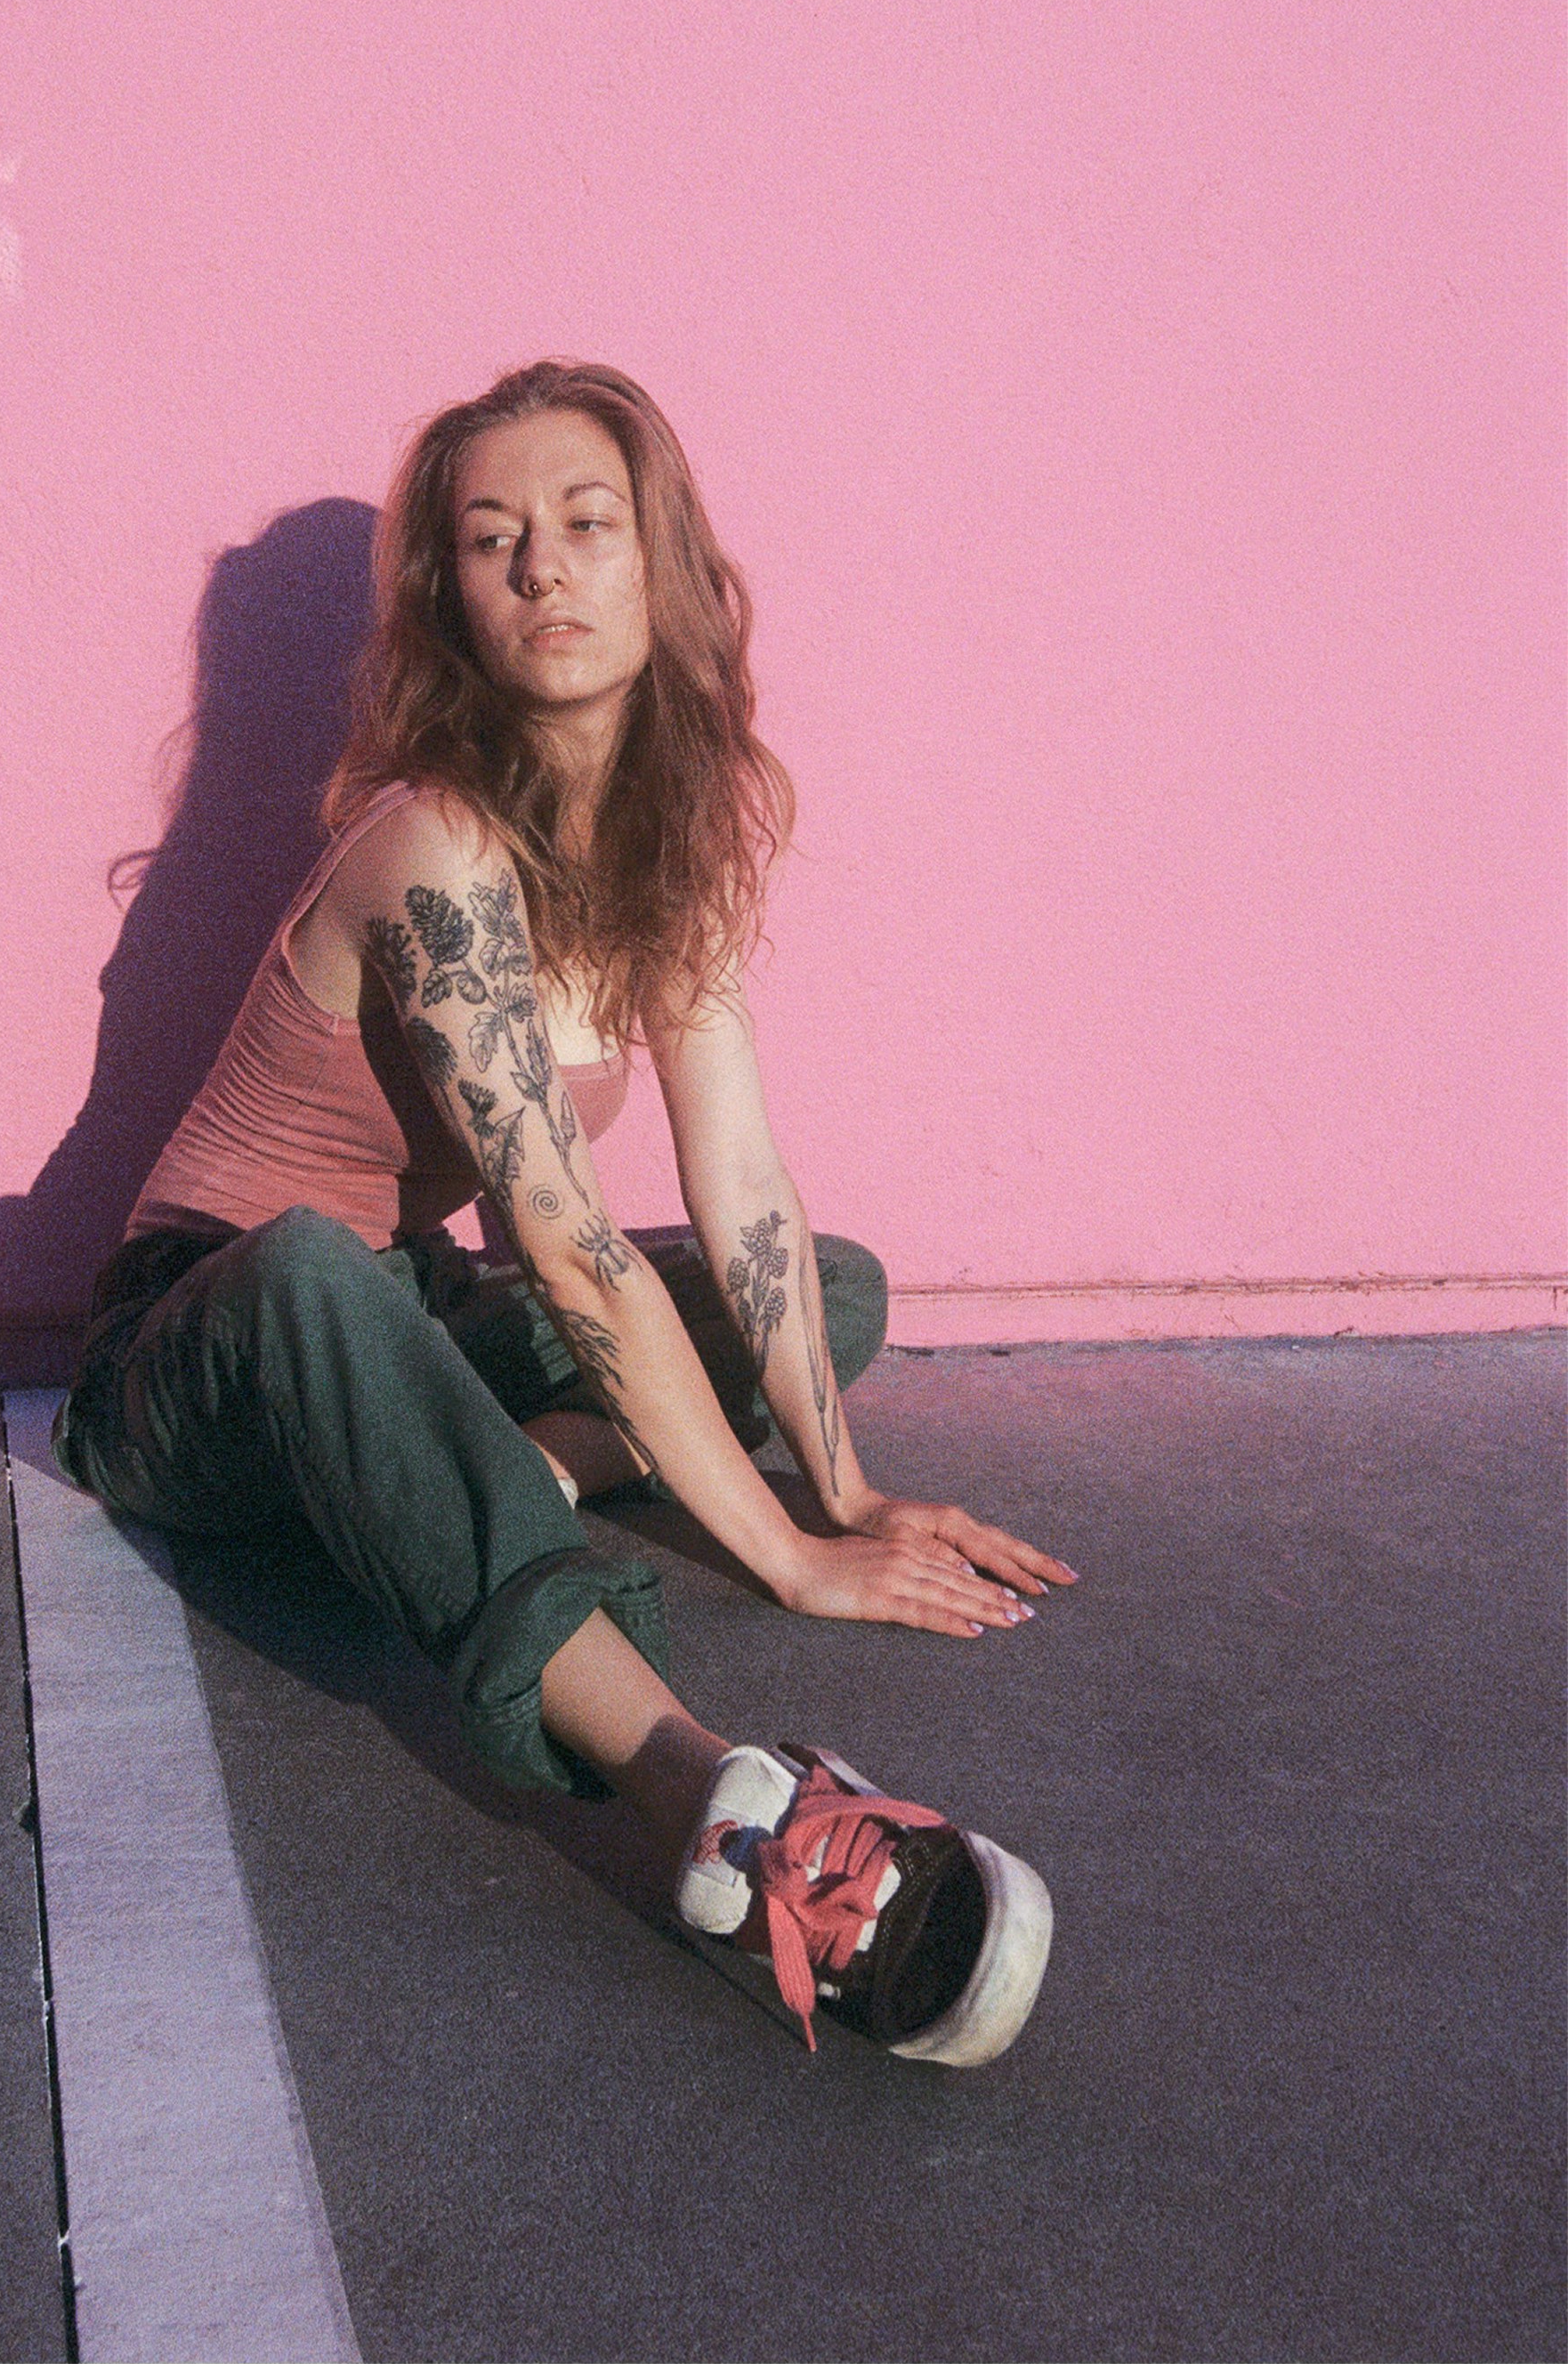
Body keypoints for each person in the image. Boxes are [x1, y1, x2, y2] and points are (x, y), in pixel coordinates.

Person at [54, 359, 1078, 2064]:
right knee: (321, 1274)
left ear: (657, 558)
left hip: (414, 1310)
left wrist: (851, 1484)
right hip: (202, 1344)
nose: (544, 565)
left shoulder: (667, 847)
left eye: (587, 521)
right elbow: (570, 1247)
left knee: (822, 1290)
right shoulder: (432, 851)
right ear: (451, 600)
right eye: (491, 536)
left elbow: (736, 1181)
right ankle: (728, 1814)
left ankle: (481, 1457)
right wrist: (792, 1561)